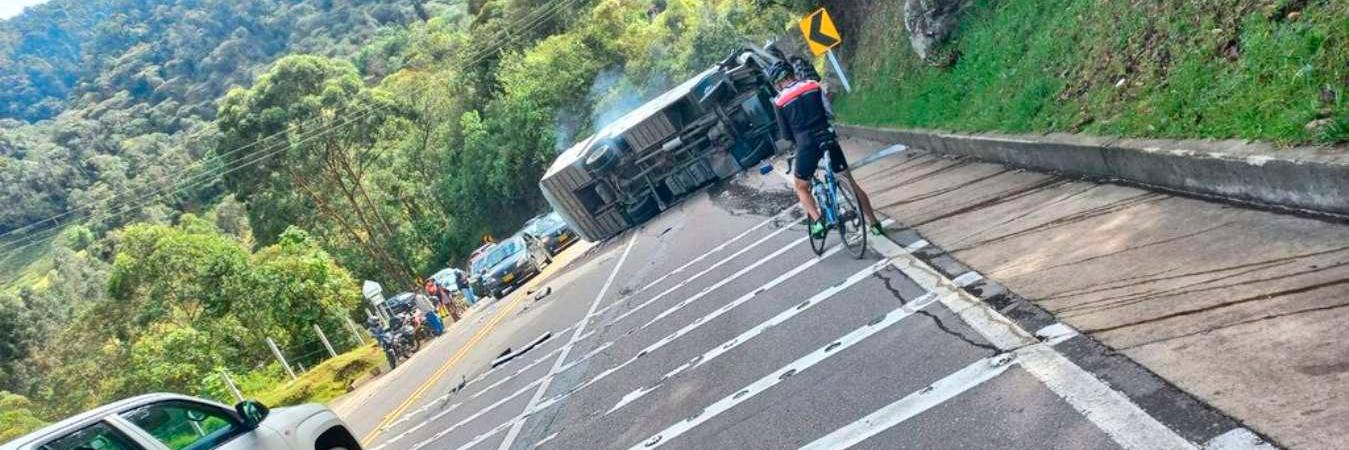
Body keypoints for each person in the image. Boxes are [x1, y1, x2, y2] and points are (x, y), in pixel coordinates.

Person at [768, 60, 883, 238]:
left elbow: (786, 135)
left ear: (777, 82)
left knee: (801, 186)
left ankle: (817, 221)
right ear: (793, 74)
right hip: (827, 137)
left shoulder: (779, 101)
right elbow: (829, 112)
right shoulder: (813, 85)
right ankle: (874, 224)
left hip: (806, 145)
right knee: (850, 183)